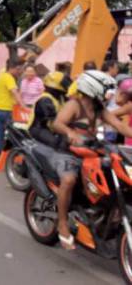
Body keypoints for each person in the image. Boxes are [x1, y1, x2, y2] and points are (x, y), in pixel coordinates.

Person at [50, 71, 132, 250]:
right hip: (68, 153)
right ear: (93, 88)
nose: (110, 94)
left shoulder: (98, 108)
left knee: (113, 182)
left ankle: (103, 220)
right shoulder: (74, 104)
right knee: (69, 180)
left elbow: (119, 125)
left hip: (91, 153)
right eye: (106, 89)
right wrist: (70, 132)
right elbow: (58, 123)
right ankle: (62, 223)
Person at [0, 60, 25, 160]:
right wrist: (24, 106)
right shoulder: (9, 78)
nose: (20, 72)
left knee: (0, 134)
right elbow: (15, 92)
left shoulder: (2, 76)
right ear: (13, 68)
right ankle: (11, 158)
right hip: (4, 110)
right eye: (19, 69)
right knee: (14, 135)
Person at [27, 71, 69, 148]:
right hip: (38, 128)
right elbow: (52, 116)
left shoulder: (60, 98)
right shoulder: (45, 99)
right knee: (53, 142)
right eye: (63, 84)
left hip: (51, 127)